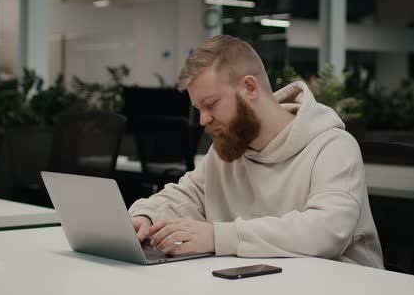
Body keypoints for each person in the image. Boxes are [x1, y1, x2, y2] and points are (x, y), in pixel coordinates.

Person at [129, 35, 383, 268]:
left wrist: (218, 237)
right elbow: (186, 195)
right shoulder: (228, 148)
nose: (204, 119)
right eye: (198, 109)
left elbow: (325, 232)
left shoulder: (332, 147)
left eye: (211, 104)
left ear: (249, 88)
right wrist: (146, 217)